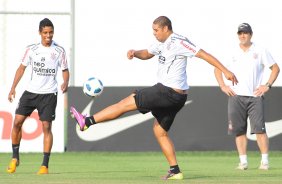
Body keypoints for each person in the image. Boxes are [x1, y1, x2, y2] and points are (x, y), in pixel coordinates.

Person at [70, 16, 237, 180]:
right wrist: (135, 53)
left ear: (166, 28)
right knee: (160, 131)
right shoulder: (160, 43)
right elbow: (147, 54)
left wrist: (226, 71)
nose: (154, 33)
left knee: (125, 103)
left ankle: (87, 122)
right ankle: (175, 171)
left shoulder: (178, 42)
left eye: (156, 30)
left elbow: (204, 54)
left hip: (167, 91)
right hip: (177, 98)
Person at [7, 18, 69, 174]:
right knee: (16, 122)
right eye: (45, 33)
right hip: (31, 92)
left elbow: (65, 69)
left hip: (49, 94)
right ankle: (15, 157)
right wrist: (13, 88)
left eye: (51, 32)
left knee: (47, 127)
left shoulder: (59, 50)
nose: (48, 35)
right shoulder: (32, 49)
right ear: (40, 33)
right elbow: (21, 69)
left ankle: (44, 165)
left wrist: (65, 82)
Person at [214, 23, 280, 170]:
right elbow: (217, 69)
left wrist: (267, 85)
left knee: (260, 130)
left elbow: (275, 68)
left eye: (245, 33)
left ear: (251, 34)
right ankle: (243, 162)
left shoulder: (260, 50)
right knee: (239, 131)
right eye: (240, 33)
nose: (242, 35)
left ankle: (265, 161)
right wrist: (223, 86)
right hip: (236, 97)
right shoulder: (231, 52)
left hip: (255, 97)